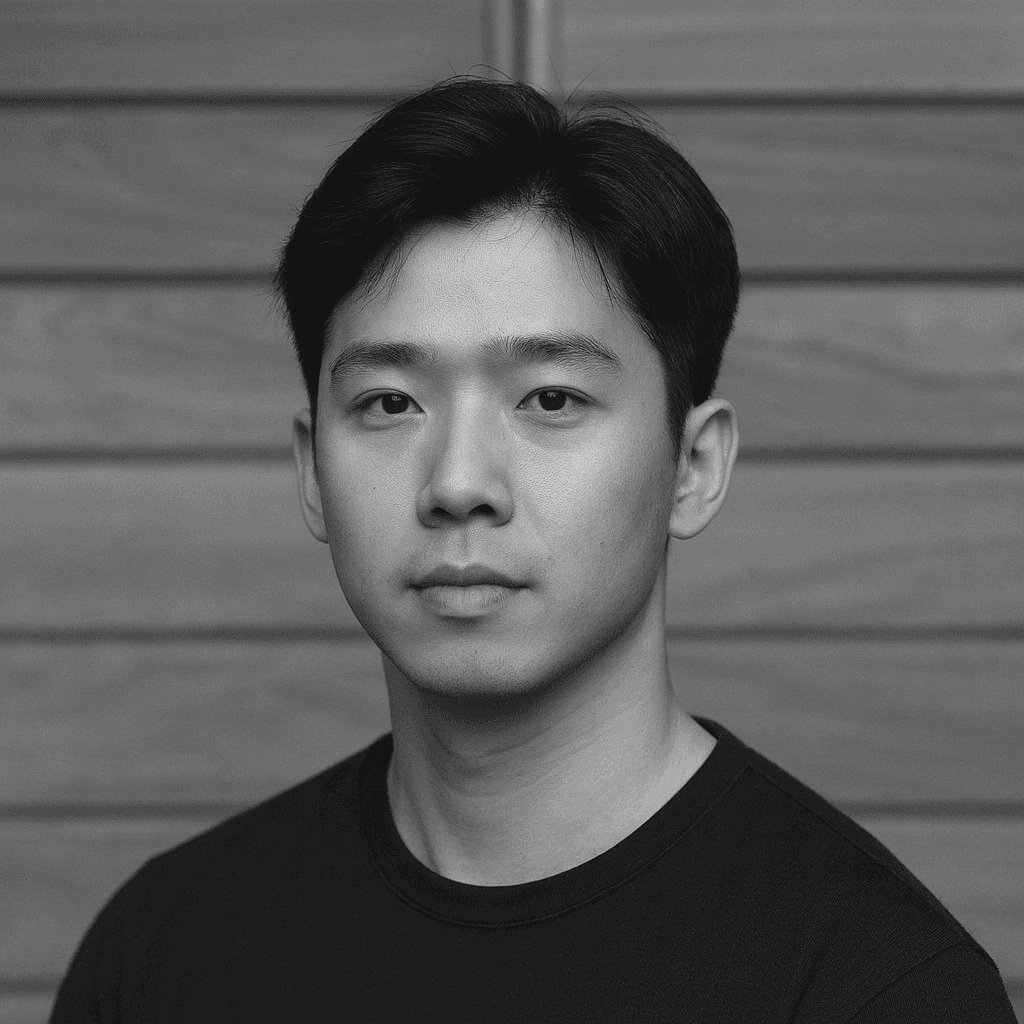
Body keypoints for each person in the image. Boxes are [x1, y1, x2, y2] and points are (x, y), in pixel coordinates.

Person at [51, 76, 1016, 1023]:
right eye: (390, 402)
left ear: (693, 467)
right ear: (312, 470)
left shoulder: (877, 988)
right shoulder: (160, 954)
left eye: (551, 398)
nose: (458, 481)